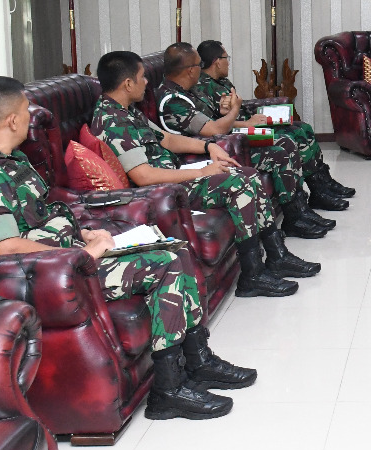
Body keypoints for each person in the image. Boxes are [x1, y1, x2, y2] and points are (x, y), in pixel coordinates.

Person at [0, 76, 254, 421]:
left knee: (175, 249)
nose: (30, 119)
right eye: (25, 112)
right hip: (50, 274)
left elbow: (41, 216)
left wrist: (84, 233)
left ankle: (198, 360)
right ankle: (168, 391)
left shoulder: (9, 160)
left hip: (70, 256)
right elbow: (5, 248)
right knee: (165, 263)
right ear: (13, 120)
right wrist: (80, 255)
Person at [91, 50, 307, 299]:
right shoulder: (112, 121)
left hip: (174, 175)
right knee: (239, 183)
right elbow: (144, 176)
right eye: (142, 77)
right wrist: (202, 171)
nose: (147, 82)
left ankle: (277, 255)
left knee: (247, 174)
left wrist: (208, 146)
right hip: (160, 192)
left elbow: (167, 139)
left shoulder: (127, 111)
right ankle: (253, 275)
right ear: (128, 83)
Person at [156, 42, 330, 257]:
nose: (202, 70)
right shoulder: (173, 100)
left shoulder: (189, 91)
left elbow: (214, 119)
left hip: (224, 143)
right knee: (279, 150)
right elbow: (214, 129)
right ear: (191, 70)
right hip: (210, 152)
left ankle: (300, 208)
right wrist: (235, 112)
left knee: (286, 140)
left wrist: (224, 111)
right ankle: (293, 218)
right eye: (199, 65)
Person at [194, 39, 354, 203]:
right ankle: (318, 189)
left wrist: (260, 116)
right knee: (295, 134)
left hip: (249, 124)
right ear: (217, 61)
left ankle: (323, 182)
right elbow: (212, 123)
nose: (228, 62)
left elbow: (236, 108)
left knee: (303, 128)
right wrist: (247, 124)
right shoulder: (202, 88)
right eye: (226, 58)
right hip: (238, 133)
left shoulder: (221, 81)